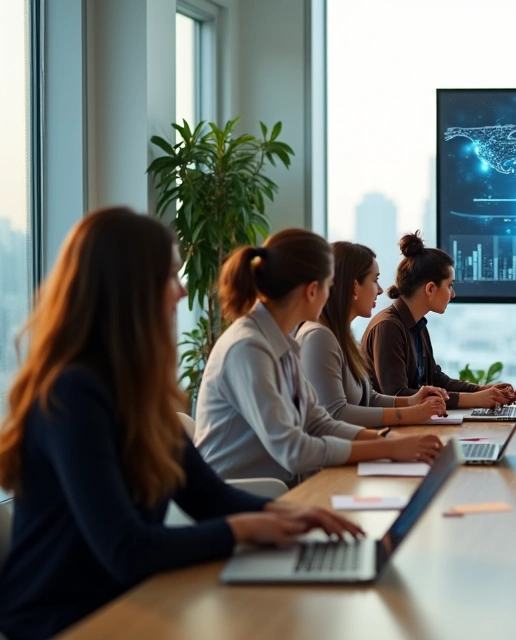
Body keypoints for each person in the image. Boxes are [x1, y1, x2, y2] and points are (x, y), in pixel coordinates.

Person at [0, 209, 363, 640]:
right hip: (65, 622)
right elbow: (127, 549)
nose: (182, 290)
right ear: (128, 289)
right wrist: (246, 528)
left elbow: (208, 496)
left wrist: (291, 515)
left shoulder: (136, 389)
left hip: (127, 603)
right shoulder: (73, 393)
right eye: (170, 276)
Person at [194, 228, 443, 487]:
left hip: (278, 490)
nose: (331, 295)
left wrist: (389, 442)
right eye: (328, 287)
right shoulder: (247, 348)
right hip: (241, 500)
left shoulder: (282, 343)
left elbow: (319, 422)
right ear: (313, 291)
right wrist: (387, 449)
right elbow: (294, 450)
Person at [296, 241, 451, 428]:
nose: (379, 290)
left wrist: (413, 401)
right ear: (354, 287)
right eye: (374, 280)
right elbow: (335, 414)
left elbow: (370, 398)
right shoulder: (319, 337)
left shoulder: (342, 335)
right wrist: (410, 414)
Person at [361, 233, 516, 409]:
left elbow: (435, 378)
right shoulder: (388, 327)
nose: (453, 294)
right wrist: (474, 400)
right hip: (390, 430)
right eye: (450, 285)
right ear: (430, 288)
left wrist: (481, 390)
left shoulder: (417, 324)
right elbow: (396, 395)